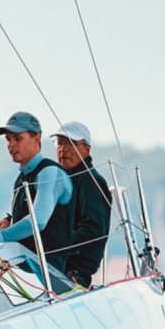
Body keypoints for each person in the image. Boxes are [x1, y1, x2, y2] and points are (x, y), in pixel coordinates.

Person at [0, 111, 74, 272]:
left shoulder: (49, 172)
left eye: (17, 138)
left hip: (50, 273)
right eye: (8, 139)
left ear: (37, 138)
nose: (11, 145)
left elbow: (38, 221)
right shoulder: (22, 177)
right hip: (26, 267)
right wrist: (9, 221)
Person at [50, 121, 113, 287]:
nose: (63, 149)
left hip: (74, 272)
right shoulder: (59, 180)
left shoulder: (90, 182)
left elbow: (93, 229)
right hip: (53, 265)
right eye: (60, 143)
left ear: (87, 148)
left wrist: (58, 243)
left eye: (71, 143)